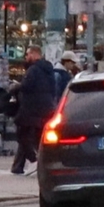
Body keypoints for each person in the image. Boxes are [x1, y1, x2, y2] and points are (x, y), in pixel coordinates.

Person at [13, 45, 61, 174]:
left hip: (31, 109)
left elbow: (26, 86)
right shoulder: (49, 70)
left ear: (34, 54)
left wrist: (17, 86)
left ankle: (34, 161)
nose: (26, 57)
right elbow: (53, 88)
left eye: (27, 54)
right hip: (46, 108)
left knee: (22, 134)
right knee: (38, 137)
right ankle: (42, 162)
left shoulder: (33, 70)